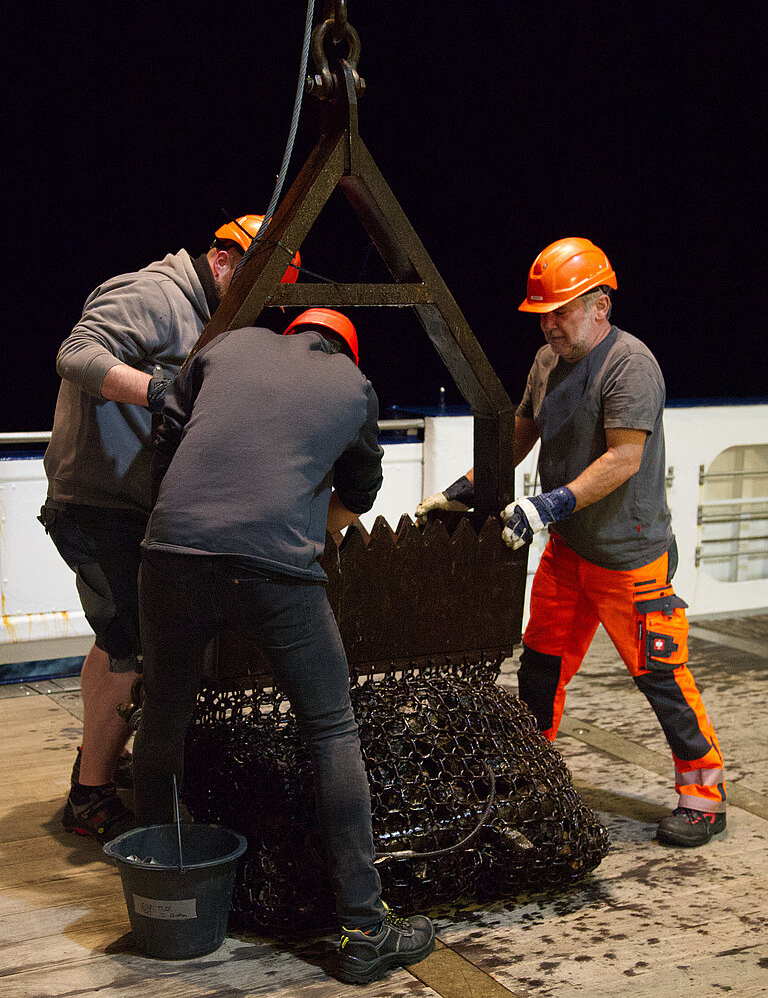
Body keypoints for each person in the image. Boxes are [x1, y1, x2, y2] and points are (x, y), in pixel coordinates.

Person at [132, 308, 435, 984]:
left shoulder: (230, 345)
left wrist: (183, 525)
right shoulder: (354, 386)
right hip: (275, 571)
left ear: (293, 331)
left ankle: (158, 894)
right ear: (344, 350)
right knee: (332, 729)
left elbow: (169, 431)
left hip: (171, 554)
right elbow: (362, 491)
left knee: (163, 718)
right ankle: (365, 930)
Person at [416, 237, 726, 848]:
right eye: (543, 314)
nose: (549, 324)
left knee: (661, 677)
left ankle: (705, 797)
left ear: (600, 305)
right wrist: (465, 489)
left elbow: (625, 458)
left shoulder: (630, 365)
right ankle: (531, 776)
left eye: (560, 311)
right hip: (568, 553)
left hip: (630, 559)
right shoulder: (545, 362)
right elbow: (522, 432)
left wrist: (548, 504)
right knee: (540, 666)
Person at [39, 215, 293, 842]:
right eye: (254, 285)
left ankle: (99, 758)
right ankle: (89, 794)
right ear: (224, 259)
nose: (257, 305)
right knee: (131, 642)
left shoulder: (209, 317)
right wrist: (161, 391)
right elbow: (76, 354)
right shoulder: (154, 293)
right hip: (97, 501)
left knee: (116, 637)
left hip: (132, 506)